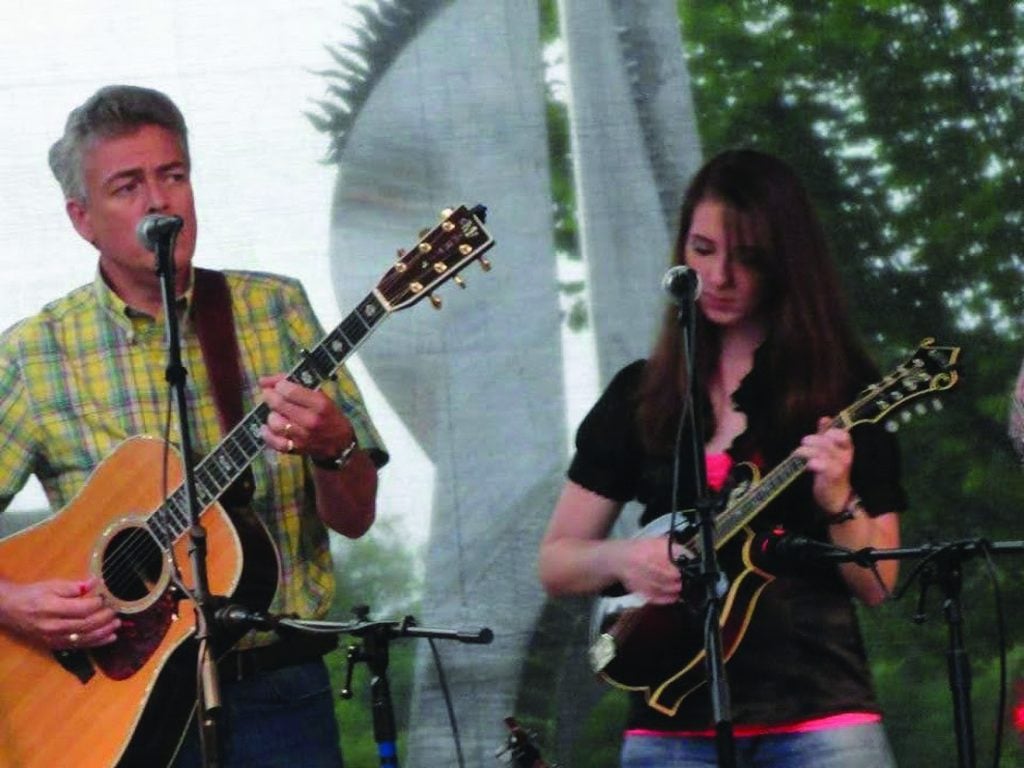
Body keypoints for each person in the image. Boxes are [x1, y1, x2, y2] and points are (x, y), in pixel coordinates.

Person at [0, 85, 387, 767]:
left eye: (172, 175)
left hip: (279, 694)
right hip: (113, 710)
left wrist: (336, 447)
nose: (159, 201)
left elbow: (354, 518)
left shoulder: (273, 308)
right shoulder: (34, 354)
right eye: (128, 186)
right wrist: (14, 602)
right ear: (81, 218)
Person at [538, 149, 905, 767]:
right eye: (703, 250)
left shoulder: (844, 391)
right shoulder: (640, 393)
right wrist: (629, 558)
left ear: (784, 262)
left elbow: (877, 583)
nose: (721, 275)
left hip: (819, 714)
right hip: (669, 726)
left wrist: (838, 498)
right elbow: (557, 562)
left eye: (747, 257)